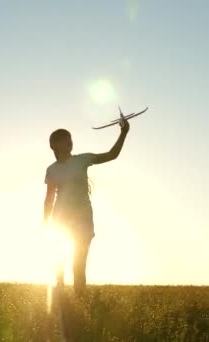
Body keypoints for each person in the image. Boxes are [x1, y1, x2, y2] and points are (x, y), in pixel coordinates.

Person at [43, 116, 130, 296]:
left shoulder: (82, 160)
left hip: (83, 217)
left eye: (70, 138)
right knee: (59, 257)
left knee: (79, 261)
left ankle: (80, 299)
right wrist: (46, 222)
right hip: (61, 218)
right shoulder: (51, 170)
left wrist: (123, 132)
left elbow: (111, 155)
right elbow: (49, 198)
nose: (69, 142)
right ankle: (60, 294)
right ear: (54, 146)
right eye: (64, 140)